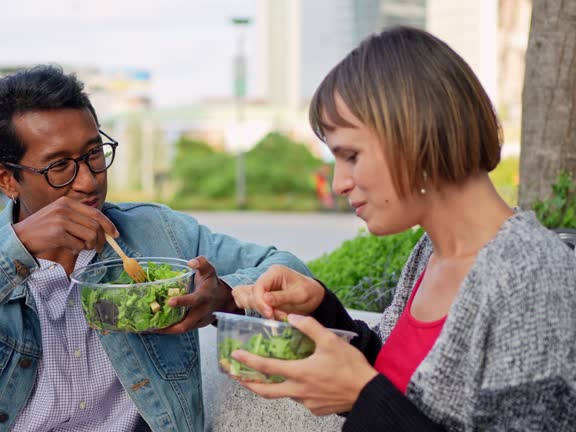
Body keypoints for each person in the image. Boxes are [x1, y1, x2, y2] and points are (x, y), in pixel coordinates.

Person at [0, 65, 312, 432]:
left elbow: (291, 270)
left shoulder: (157, 234)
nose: (88, 180)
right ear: (7, 179)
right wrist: (15, 249)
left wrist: (228, 297)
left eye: (94, 154)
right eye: (59, 166)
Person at [230, 27, 576, 431]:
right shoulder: (430, 252)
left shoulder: (533, 278)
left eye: (351, 155)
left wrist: (362, 398)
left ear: (416, 135)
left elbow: (380, 400)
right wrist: (321, 308)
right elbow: (397, 379)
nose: (339, 182)